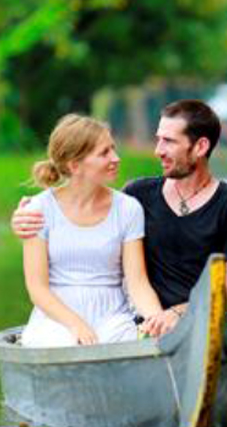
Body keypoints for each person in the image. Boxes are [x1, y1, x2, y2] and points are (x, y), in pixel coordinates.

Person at [14, 100, 227, 353]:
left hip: (205, 312)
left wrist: (175, 314)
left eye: (169, 141)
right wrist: (22, 219)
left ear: (200, 147)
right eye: (158, 139)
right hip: (146, 317)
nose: (157, 150)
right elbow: (85, 210)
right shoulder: (138, 196)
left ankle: (214, 381)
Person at [18, 114, 168, 347]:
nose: (116, 158)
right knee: (62, 344)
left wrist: (156, 317)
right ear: (75, 165)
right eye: (104, 153)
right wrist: (75, 324)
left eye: (114, 149)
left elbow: (137, 282)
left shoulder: (128, 209)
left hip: (113, 319)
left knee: (128, 342)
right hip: (56, 318)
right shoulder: (39, 209)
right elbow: (37, 288)